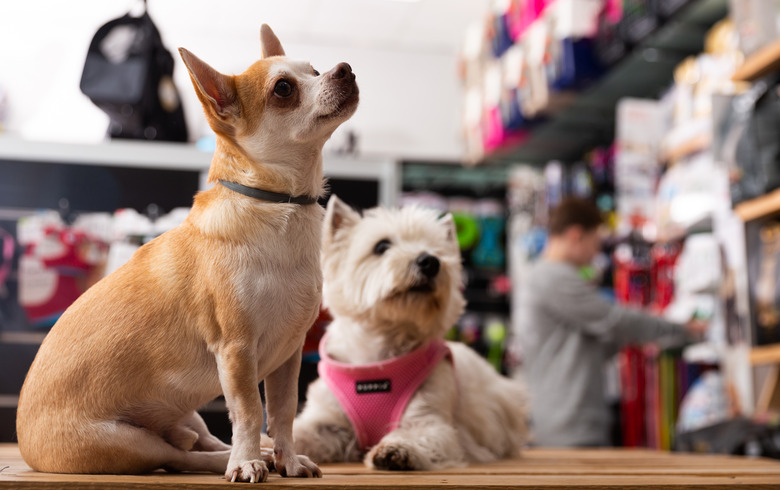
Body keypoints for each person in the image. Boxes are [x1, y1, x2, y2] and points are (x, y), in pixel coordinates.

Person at [517, 197, 707, 447]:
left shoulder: (544, 278)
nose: (597, 252)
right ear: (576, 235)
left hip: (569, 421)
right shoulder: (551, 277)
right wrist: (681, 329)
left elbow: (588, 346)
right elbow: (613, 320)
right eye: (596, 242)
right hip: (568, 426)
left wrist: (637, 334)